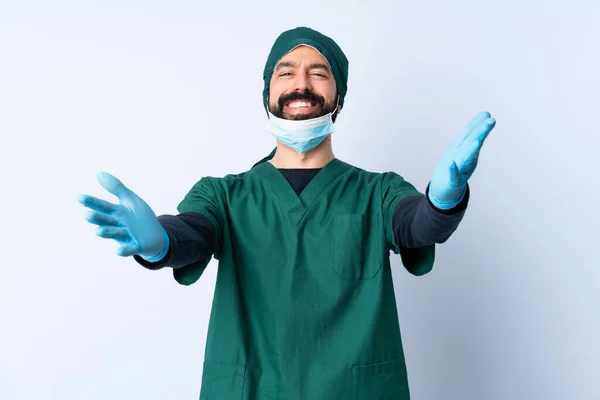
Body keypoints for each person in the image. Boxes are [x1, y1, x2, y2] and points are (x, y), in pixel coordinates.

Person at [78, 26, 496, 400]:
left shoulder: (378, 191)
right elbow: (194, 231)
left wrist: (443, 199)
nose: (301, 84)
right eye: (286, 72)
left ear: (339, 98)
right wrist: (160, 243)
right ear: (268, 95)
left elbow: (417, 223)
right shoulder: (224, 195)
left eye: (319, 73)